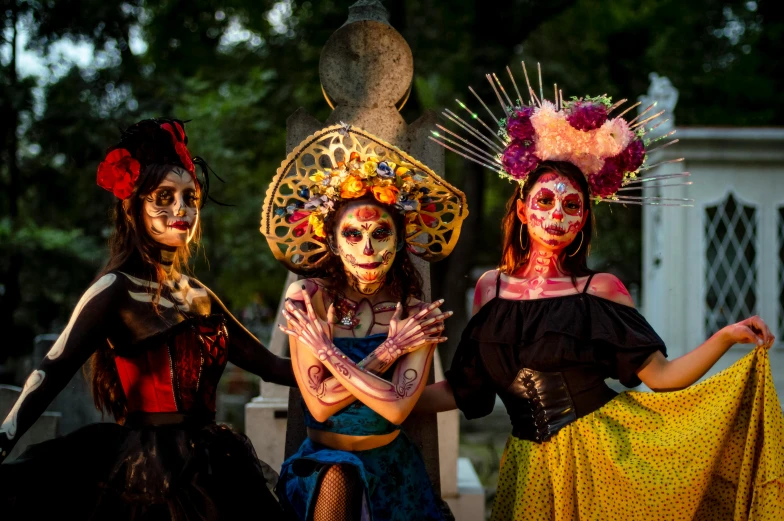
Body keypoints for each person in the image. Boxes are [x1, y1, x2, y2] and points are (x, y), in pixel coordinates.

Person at [420, 66, 784, 520]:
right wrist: (386, 398)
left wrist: (725, 337)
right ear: (522, 207)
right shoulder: (490, 289)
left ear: (584, 219)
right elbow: (464, 387)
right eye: (546, 201)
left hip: (601, 457)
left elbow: (662, 376)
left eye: (572, 205)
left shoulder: (600, 290)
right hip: (527, 465)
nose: (557, 215)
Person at [0, 118, 297, 520]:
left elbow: (275, 367)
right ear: (133, 207)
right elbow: (51, 370)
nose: (182, 210)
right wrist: (2, 441)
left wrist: (358, 363)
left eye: (190, 198)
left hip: (215, 466)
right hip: (143, 472)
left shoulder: (201, 296)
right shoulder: (114, 290)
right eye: (164, 197)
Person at [262, 124, 468, 521]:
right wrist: (389, 352)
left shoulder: (415, 314)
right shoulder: (308, 298)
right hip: (323, 466)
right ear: (333, 242)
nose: (368, 249)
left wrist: (326, 353)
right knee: (338, 475)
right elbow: (319, 407)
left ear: (400, 239)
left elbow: (395, 410)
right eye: (353, 234)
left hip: (391, 469)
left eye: (380, 233)